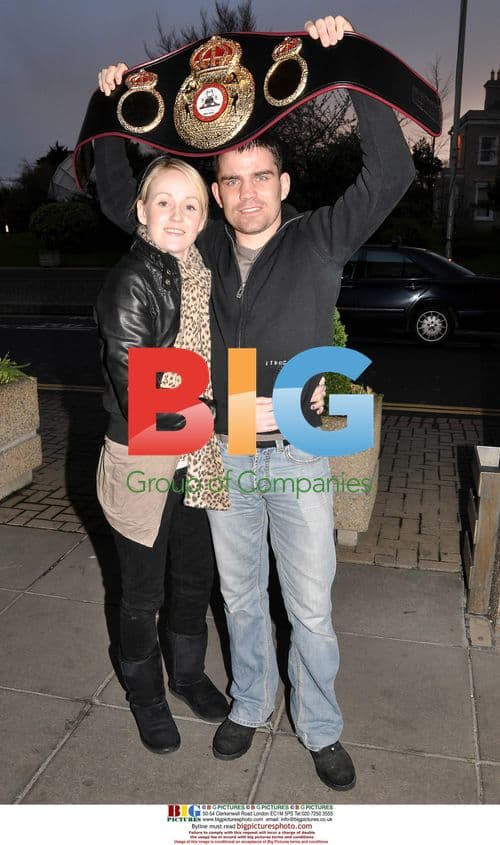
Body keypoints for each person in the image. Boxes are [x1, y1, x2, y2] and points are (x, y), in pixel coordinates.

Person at [96, 13, 415, 789]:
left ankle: (321, 725)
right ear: (218, 190)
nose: (245, 192)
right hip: (224, 453)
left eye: (259, 177)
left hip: (302, 450)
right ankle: (248, 703)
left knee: (307, 606)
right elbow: (119, 203)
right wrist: (109, 118)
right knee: (238, 594)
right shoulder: (200, 244)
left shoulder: (321, 238)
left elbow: (391, 174)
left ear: (283, 184)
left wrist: (347, 66)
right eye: (230, 180)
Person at [94, 156, 231, 755]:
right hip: (146, 458)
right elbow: (145, 398)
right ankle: (145, 692)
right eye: (164, 202)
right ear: (141, 212)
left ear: (205, 218)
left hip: (195, 459)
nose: (177, 214)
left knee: (194, 580)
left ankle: (188, 675)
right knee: (141, 593)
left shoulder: (203, 270)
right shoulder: (133, 280)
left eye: (191, 204)